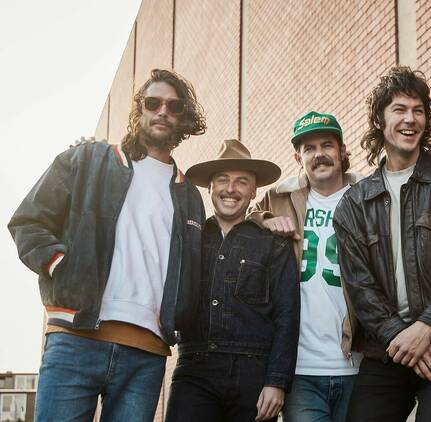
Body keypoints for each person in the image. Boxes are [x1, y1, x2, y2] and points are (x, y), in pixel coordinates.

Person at [8, 68, 206, 421]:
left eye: (174, 107)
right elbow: (28, 221)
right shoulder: (87, 160)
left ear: (184, 119)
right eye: (153, 102)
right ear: (139, 110)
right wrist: (62, 265)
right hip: (75, 339)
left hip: (146, 353)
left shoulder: (189, 195)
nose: (162, 111)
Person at [333, 66, 431, 422]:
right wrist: (402, 335)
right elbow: (360, 287)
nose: (410, 119)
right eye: (399, 109)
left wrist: (427, 325)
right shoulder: (354, 204)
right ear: (379, 119)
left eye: (418, 110)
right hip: (387, 346)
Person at [165, 139, 299, 421]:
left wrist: (276, 381)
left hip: (253, 373)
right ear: (210, 187)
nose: (230, 189)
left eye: (241, 182)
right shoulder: (190, 238)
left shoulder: (273, 244)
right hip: (194, 369)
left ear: (253, 191)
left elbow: (288, 315)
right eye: (222, 180)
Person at [250, 111, 363, 422]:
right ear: (298, 157)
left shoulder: (366, 194)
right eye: (309, 149)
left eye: (327, 145)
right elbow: (245, 221)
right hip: (301, 371)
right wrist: (267, 221)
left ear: (342, 150)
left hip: (358, 362)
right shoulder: (281, 197)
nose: (319, 155)